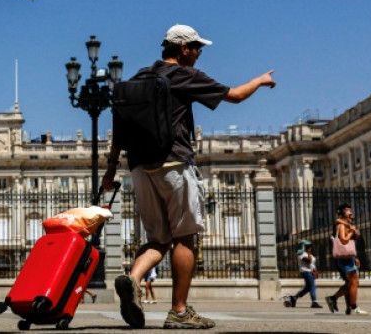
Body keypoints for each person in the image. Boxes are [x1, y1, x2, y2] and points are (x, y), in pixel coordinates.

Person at [103, 24, 276, 330]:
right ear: (183, 48)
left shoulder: (139, 77)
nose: (199, 54)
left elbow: (120, 128)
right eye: (197, 48)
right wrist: (259, 81)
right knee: (184, 237)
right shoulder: (185, 75)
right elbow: (235, 96)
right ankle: (179, 311)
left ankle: (133, 279)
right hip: (174, 163)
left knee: (158, 239)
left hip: (139, 168)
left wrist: (111, 169)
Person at [326, 204, 367, 315]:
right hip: (345, 258)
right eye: (349, 214)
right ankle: (353, 307)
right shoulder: (341, 226)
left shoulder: (345, 225)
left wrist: (355, 257)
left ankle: (340, 302)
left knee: (350, 283)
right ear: (344, 214)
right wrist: (351, 232)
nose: (352, 216)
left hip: (349, 257)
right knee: (354, 282)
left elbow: (351, 242)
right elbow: (344, 240)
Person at [287, 241, 321, 308]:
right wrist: (309, 253)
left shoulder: (308, 254)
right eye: (308, 247)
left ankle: (294, 298)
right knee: (312, 287)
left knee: (307, 288)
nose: (310, 248)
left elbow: (312, 264)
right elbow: (309, 261)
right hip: (306, 272)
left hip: (311, 272)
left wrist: (315, 271)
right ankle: (314, 302)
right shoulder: (301, 254)